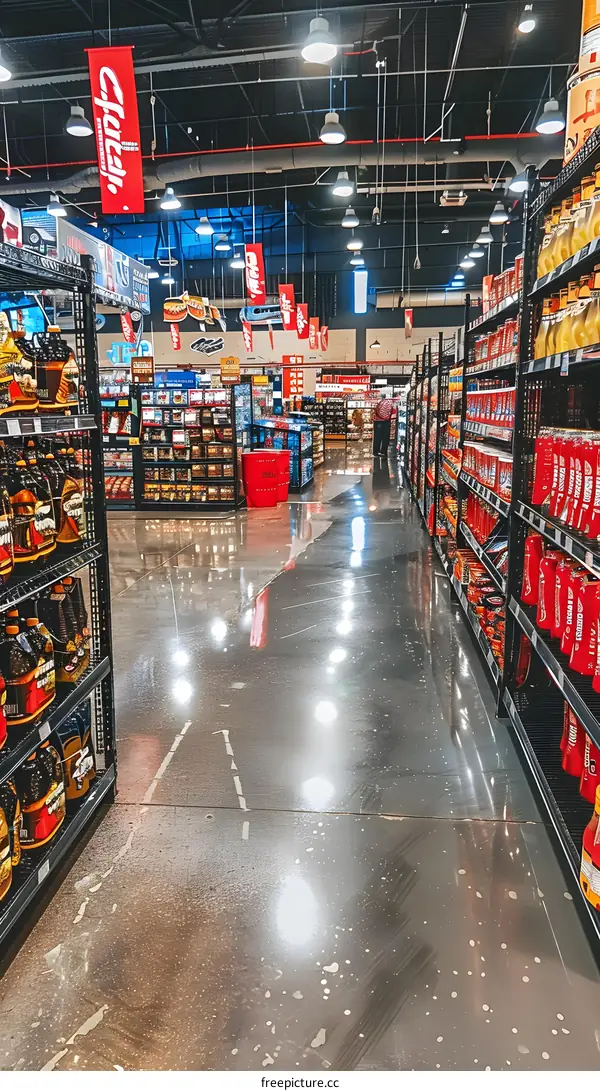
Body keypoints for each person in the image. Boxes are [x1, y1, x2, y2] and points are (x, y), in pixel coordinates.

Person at [373, 391, 394, 456]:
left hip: (378, 421)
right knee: (385, 437)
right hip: (386, 422)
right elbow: (391, 412)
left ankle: (376, 452)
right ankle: (383, 452)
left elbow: (376, 411)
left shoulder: (379, 403)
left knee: (377, 437)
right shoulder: (389, 403)